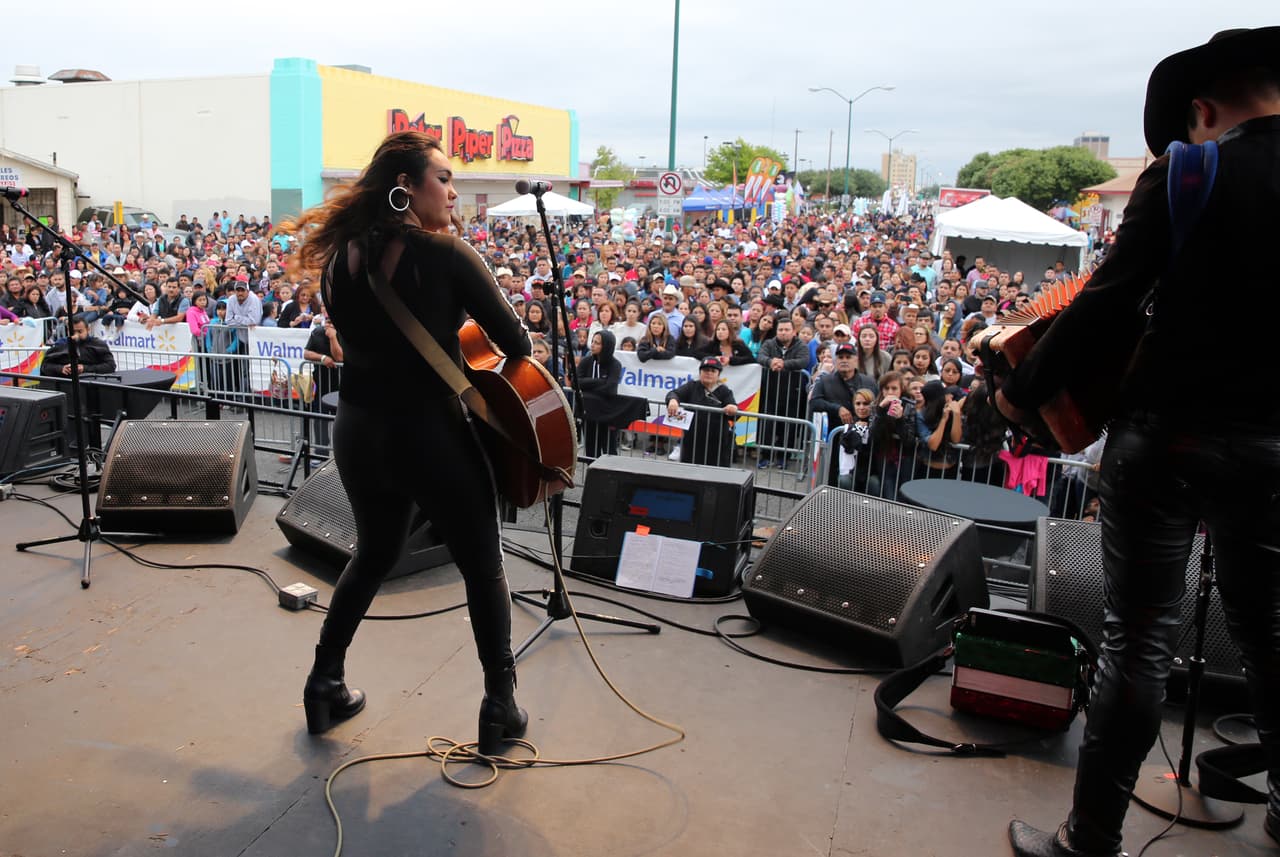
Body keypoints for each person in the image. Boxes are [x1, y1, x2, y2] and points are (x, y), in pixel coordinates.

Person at [1000, 29, 1280, 857]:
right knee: (1270, 632)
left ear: (1201, 109)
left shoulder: (1193, 172)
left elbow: (1108, 304)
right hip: (1274, 449)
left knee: (1138, 636)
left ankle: (1090, 839)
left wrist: (1022, 388)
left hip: (1170, 440)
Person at [286, 130, 530, 755]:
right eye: (442, 179)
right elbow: (517, 344)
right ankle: (499, 705)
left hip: (361, 430)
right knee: (482, 565)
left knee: (372, 554)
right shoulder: (448, 254)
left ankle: (324, 682)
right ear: (406, 188)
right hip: (429, 432)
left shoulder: (341, 257)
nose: (452, 191)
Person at [665, 356, 738, 466]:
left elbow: (733, 407)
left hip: (717, 444)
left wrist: (733, 408)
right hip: (692, 442)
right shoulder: (692, 386)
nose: (709, 373)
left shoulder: (725, 391)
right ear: (700, 372)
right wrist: (673, 400)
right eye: (705, 370)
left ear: (718, 374)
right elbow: (674, 393)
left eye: (713, 371)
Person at [40, 314, 116, 377]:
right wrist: (61, 368)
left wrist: (84, 368)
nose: (76, 335)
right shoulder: (60, 344)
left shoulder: (98, 344)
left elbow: (110, 366)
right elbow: (45, 366)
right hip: (65, 385)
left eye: (80, 331)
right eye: (73, 332)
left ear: (88, 329)